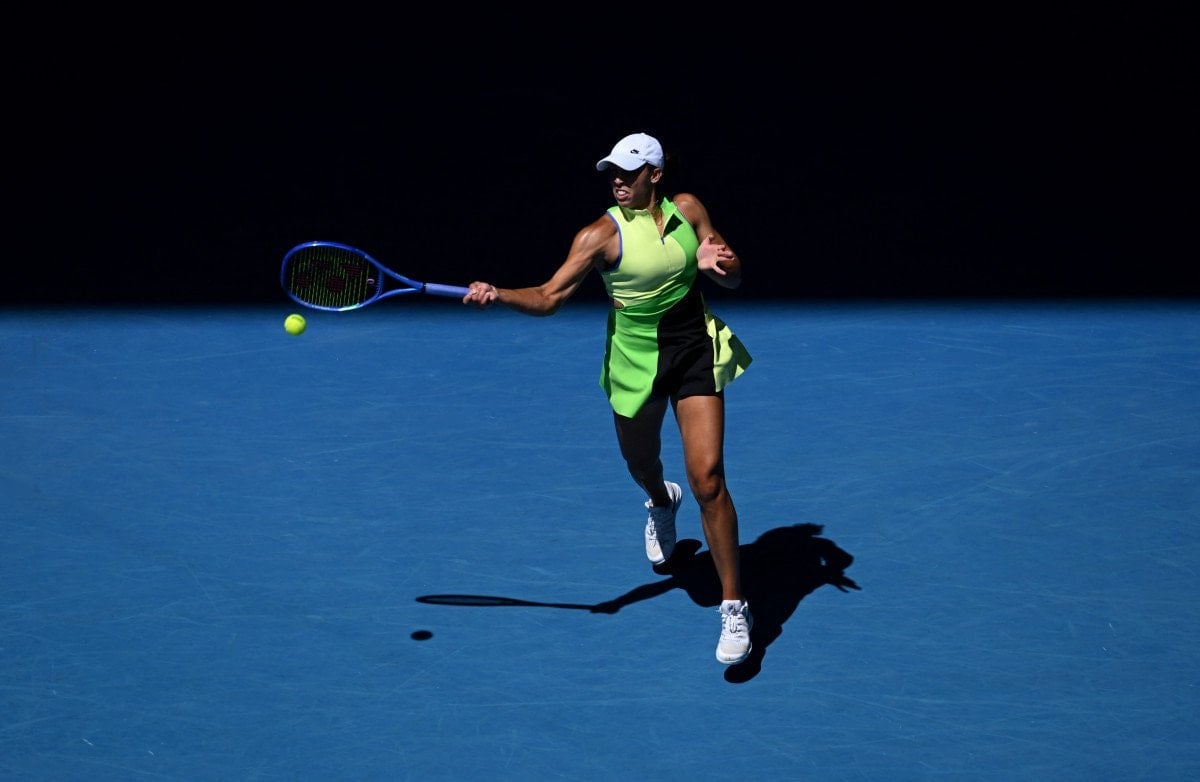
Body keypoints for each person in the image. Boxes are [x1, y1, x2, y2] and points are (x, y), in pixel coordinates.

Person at [461, 132, 755, 665]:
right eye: (612, 173)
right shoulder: (600, 236)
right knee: (641, 462)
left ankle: (734, 604)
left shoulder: (689, 210)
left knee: (709, 478)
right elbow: (549, 297)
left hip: (693, 349)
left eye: (629, 172)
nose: (618, 180)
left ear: (655, 175)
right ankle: (660, 501)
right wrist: (499, 294)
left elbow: (731, 276)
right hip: (635, 361)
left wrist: (723, 266)